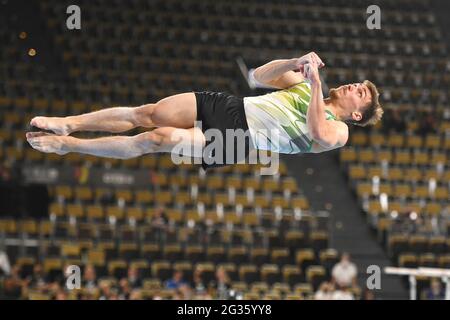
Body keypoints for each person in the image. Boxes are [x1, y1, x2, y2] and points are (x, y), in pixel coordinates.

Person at [26, 52, 383, 170]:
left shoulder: (341, 131)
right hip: (230, 105)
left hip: (237, 141)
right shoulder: (303, 85)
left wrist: (317, 84)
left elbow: (318, 132)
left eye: (363, 93)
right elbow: (257, 76)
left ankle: (70, 145)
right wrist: (296, 62)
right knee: (148, 113)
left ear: (357, 114)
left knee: (155, 139)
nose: (356, 86)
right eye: (359, 83)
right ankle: (67, 123)